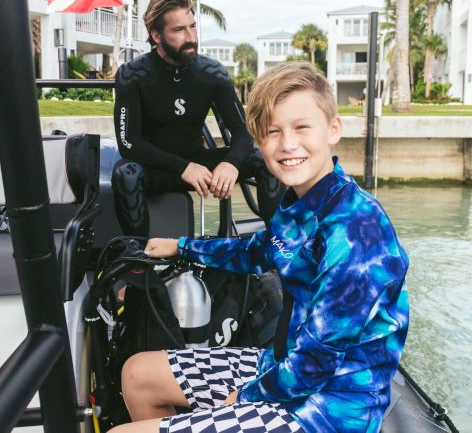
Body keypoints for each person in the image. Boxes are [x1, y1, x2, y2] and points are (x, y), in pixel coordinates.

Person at [108, 62, 410, 433]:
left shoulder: (356, 232)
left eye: (302, 127)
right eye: (272, 132)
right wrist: (181, 247)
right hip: (280, 364)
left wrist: (247, 397)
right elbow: (259, 250)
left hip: (330, 408)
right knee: (138, 374)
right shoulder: (302, 203)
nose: (287, 144)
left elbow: (315, 365)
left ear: (333, 130)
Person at [112, 0, 281, 236]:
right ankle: (139, 259)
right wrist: (183, 167)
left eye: (193, 27)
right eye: (179, 30)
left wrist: (230, 163)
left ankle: (279, 247)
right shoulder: (132, 74)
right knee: (125, 172)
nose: (191, 37)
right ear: (156, 36)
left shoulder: (211, 72)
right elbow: (129, 143)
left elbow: (243, 130)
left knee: (267, 160)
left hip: (199, 163)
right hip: (156, 169)